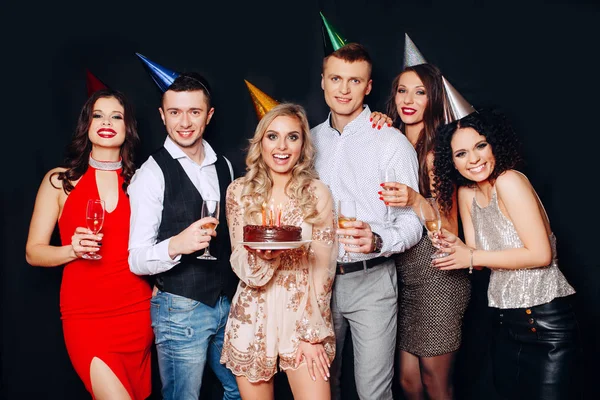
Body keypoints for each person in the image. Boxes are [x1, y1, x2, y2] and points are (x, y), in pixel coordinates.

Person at [431, 109, 579, 400]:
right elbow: (479, 257)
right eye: (461, 153)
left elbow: (540, 254)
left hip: (547, 326)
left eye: (480, 146)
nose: (473, 159)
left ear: (495, 143)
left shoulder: (509, 181)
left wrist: (471, 257)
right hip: (505, 326)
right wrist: (456, 247)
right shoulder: (467, 194)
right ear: (452, 161)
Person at [25, 89, 153, 400]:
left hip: (138, 313)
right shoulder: (60, 181)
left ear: (128, 128)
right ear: (87, 125)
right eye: (98, 115)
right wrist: (72, 249)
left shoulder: (143, 181)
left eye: (116, 116)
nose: (107, 122)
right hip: (87, 318)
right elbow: (33, 252)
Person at [311, 42, 422, 400]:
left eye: (354, 81)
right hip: (316, 281)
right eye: (336, 79)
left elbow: (412, 224)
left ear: (369, 86)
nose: (344, 89)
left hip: (371, 280)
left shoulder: (391, 143)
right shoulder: (308, 141)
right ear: (323, 82)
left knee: (373, 392)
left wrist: (377, 240)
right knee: (322, 384)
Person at [127, 72, 240, 400]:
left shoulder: (225, 167)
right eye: (174, 112)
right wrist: (178, 244)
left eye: (194, 111)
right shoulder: (151, 175)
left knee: (241, 391)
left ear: (209, 115)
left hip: (227, 302)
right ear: (162, 116)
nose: (184, 122)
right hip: (179, 308)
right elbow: (136, 258)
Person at [221, 102, 336, 399]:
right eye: (273, 136)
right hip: (252, 314)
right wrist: (262, 258)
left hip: (300, 313)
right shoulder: (239, 192)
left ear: (303, 145)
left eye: (292, 137)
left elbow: (323, 271)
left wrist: (312, 333)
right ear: (261, 142)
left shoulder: (317, 193)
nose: (282, 146)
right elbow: (238, 259)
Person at [376, 63, 470, 400]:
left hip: (437, 275)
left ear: (433, 99)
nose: (409, 99)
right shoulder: (387, 140)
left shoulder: (438, 152)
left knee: (435, 381)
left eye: (420, 92)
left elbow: (449, 228)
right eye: (402, 90)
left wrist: (416, 199)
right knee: (408, 382)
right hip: (400, 272)